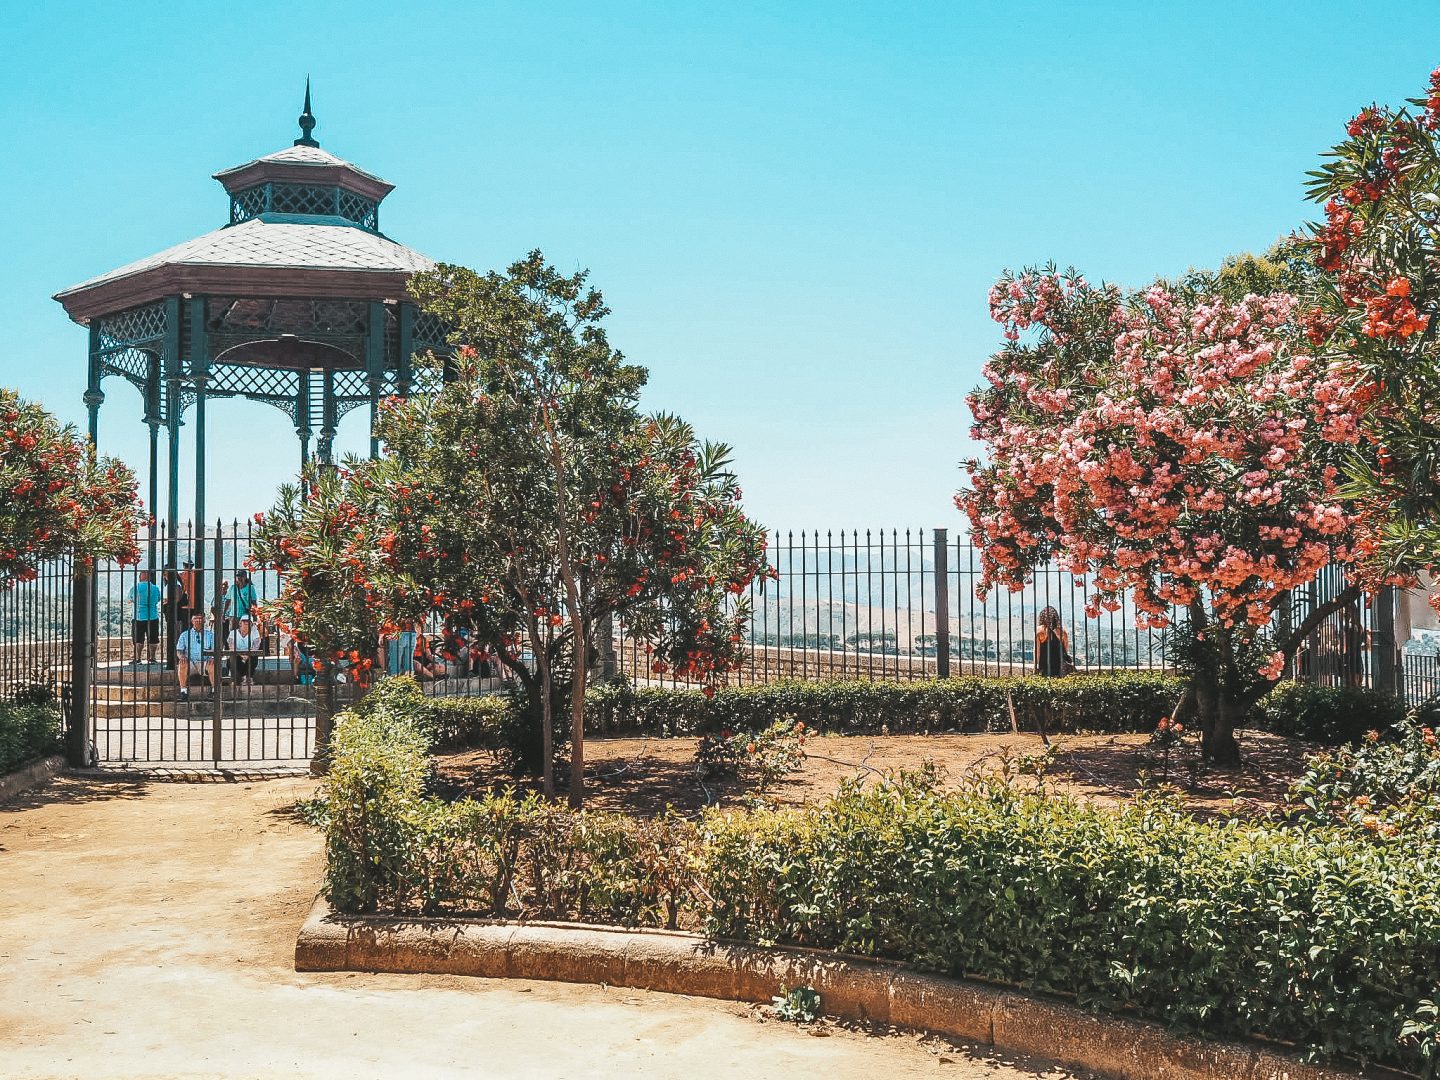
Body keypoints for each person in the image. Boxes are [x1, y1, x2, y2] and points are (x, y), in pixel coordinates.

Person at [174, 612, 216, 702]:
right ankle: (183, 691)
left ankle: (214, 691)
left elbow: (215, 649)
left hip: (204, 662)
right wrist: (181, 657)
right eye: (195, 618)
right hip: (191, 662)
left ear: (204, 620)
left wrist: (212, 658)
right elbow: (179, 650)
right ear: (191, 621)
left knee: (213, 664)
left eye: (200, 618)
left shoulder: (210, 635)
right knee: (182, 664)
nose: (198, 620)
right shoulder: (185, 635)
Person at [126, 570, 162, 666]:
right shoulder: (155, 588)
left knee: (138, 639)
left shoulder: (135, 588)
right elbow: (158, 599)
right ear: (149, 577)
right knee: (153, 638)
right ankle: (152, 658)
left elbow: (129, 600)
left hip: (138, 617)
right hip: (153, 616)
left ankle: (138, 658)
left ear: (141, 577)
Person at [1034, 606, 1073, 677]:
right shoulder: (1062, 632)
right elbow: (1066, 650)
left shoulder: (1039, 631)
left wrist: (1036, 666)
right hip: (1059, 666)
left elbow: (1037, 651)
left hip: (1044, 664)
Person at [227, 615, 263, 693]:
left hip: (249, 655)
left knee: (254, 657)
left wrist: (247, 655)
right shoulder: (233, 633)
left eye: (248, 622)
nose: (246, 623)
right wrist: (242, 655)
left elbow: (256, 646)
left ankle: (248, 677)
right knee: (232, 658)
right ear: (240, 623)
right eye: (244, 621)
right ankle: (236, 678)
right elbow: (231, 646)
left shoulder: (255, 633)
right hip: (237, 655)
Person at [225, 569, 259, 636]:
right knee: (233, 634)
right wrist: (224, 613)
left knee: (245, 634)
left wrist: (255, 616)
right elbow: (228, 601)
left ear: (245, 577)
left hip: (245, 615)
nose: (239, 578)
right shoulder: (233, 588)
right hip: (233, 616)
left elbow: (254, 602)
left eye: (241, 576)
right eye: (238, 576)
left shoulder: (250, 588)